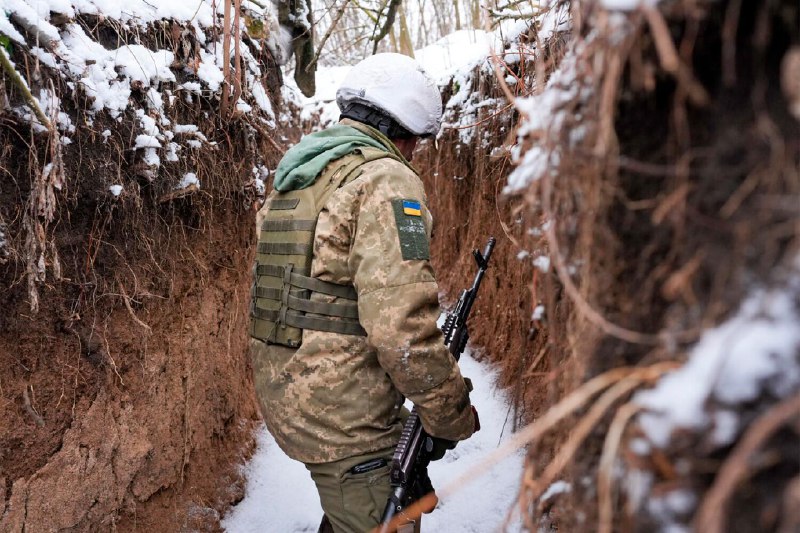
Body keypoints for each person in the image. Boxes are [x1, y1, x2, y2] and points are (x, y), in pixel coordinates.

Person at [248, 53, 479, 533]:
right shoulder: (387, 180)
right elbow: (403, 329)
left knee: (351, 511)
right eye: (416, 140)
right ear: (407, 128)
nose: (414, 152)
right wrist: (451, 412)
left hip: (291, 395)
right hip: (346, 418)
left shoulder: (305, 172)